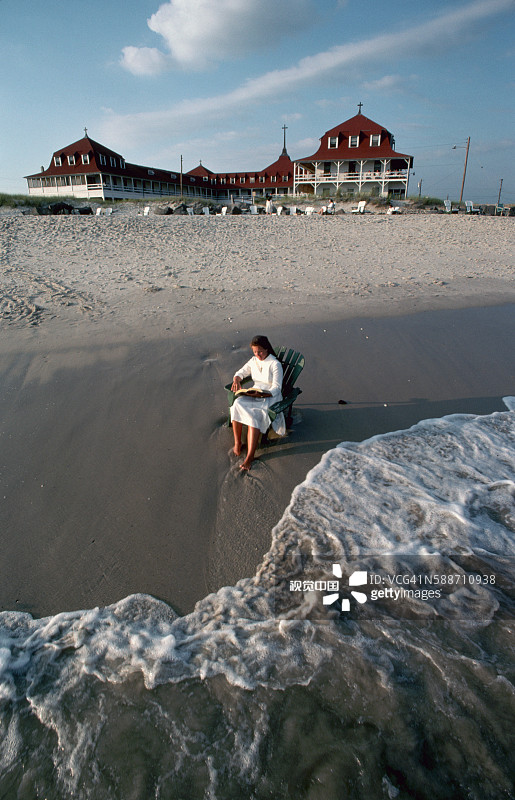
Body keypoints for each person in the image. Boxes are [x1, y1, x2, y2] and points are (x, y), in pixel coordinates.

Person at [230, 335, 286, 470]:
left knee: (254, 416)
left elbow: (277, 388)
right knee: (237, 404)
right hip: (255, 392)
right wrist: (237, 379)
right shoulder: (254, 360)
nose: (257, 354)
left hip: (270, 396)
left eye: (260, 351)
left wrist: (262, 394)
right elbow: (241, 372)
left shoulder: (275, 364)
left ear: (266, 348)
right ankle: (237, 443)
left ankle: (250, 457)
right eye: (255, 352)